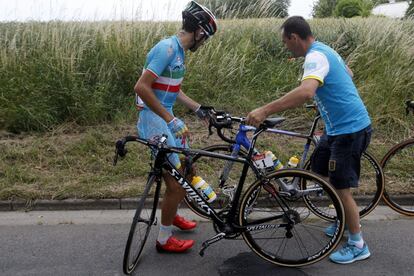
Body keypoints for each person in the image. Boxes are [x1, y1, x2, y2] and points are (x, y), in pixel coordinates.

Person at [246, 16, 372, 264]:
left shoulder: (315, 56)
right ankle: (346, 219)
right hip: (335, 129)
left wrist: (264, 110)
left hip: (350, 131)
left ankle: (357, 243)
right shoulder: (325, 50)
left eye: (285, 42)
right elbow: (348, 72)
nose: (285, 47)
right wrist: (331, 99)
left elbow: (305, 92)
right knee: (318, 172)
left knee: (340, 188)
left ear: (294, 38)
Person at [134, 1, 217, 253]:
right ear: (200, 31)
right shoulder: (167, 49)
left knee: (186, 167)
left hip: (165, 115)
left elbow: (173, 89)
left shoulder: (179, 52)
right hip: (153, 119)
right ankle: (163, 239)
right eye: (206, 38)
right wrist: (170, 120)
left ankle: (171, 213)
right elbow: (141, 87)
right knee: (176, 182)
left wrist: (198, 108)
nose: (204, 44)